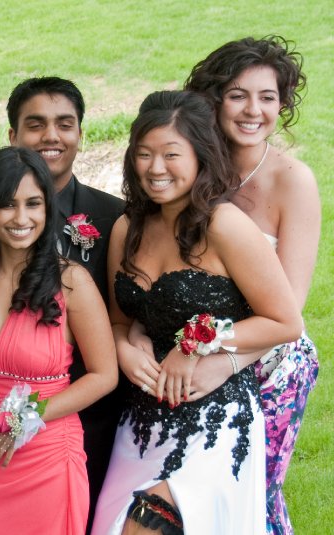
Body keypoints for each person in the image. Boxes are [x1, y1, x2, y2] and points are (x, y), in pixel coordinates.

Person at [92, 91, 303, 535]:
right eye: (144, 154)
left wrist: (199, 345)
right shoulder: (126, 228)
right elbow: (117, 319)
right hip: (141, 420)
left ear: (201, 156)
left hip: (215, 418)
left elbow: (285, 321)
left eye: (171, 154)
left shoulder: (225, 225)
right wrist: (125, 348)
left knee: (146, 525)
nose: (155, 168)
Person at [0, 77, 124, 529]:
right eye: (7, 205)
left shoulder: (73, 281)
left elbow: (104, 375)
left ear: (47, 210)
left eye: (34, 204)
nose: (20, 219)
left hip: (44, 448)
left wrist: (31, 414)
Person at [184, 36, 320, 534]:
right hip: (197, 354)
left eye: (268, 97)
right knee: (197, 496)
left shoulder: (293, 182)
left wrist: (222, 361)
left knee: (252, 492)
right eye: (238, 94)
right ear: (214, 98)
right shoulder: (195, 171)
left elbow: (290, 313)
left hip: (272, 363)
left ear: (282, 105)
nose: (253, 110)